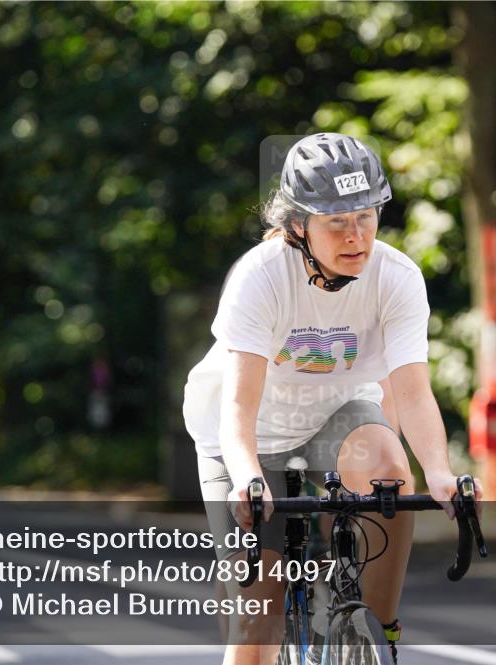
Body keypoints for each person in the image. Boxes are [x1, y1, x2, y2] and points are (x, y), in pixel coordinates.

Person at [183, 133, 479, 665]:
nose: (356, 236)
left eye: (366, 217)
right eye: (336, 222)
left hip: (333, 418)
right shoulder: (261, 276)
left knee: (393, 471)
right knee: (257, 629)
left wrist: (440, 472)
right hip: (247, 438)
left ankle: (378, 630)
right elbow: (238, 409)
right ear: (298, 225)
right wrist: (248, 476)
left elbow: (412, 393)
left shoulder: (396, 277)